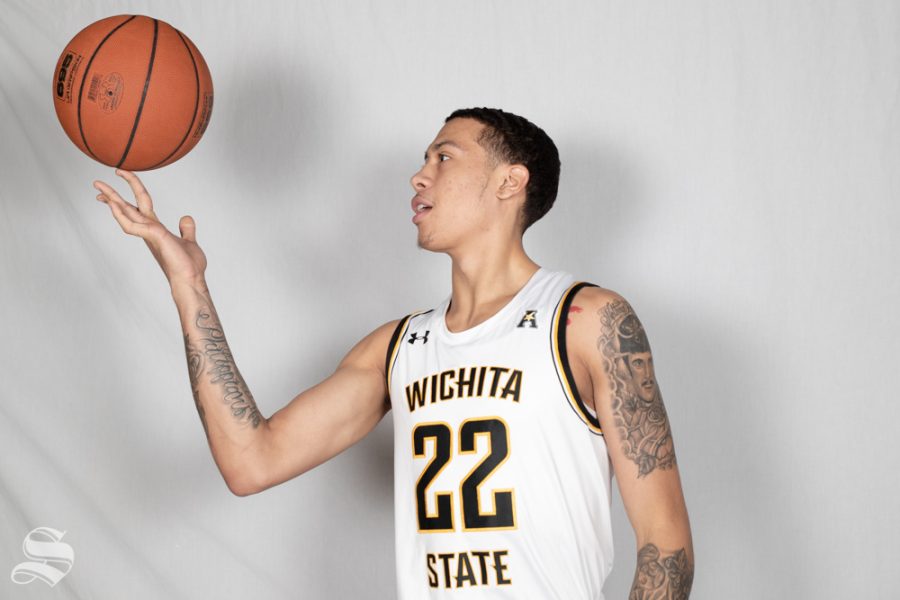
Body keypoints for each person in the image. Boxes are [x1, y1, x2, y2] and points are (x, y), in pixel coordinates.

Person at [93, 107, 693, 599]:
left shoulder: (587, 318)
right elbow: (251, 462)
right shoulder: (398, 347)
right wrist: (188, 285)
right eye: (423, 159)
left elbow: (664, 540)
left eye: (444, 157)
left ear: (510, 182)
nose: (419, 176)